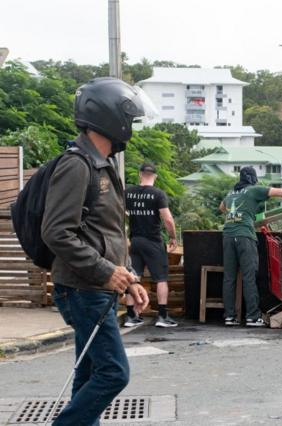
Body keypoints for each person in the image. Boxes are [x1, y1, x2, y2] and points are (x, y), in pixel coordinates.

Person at [42, 77, 151, 425]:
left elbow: (107, 234)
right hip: (82, 288)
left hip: (96, 287)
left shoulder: (103, 166)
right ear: (109, 117)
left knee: (89, 376)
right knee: (114, 373)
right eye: (129, 118)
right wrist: (106, 272)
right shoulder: (77, 165)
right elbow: (56, 232)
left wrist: (128, 278)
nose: (130, 127)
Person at [220, 166, 282, 327]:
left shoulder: (231, 193)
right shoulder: (253, 190)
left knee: (229, 278)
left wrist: (235, 215)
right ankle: (252, 317)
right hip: (244, 235)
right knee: (249, 276)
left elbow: (222, 208)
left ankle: (229, 316)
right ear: (252, 179)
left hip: (228, 236)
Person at [124, 163, 179, 328]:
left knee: (133, 276)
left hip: (134, 241)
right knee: (161, 278)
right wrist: (173, 237)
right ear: (155, 176)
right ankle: (162, 316)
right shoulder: (158, 194)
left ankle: (130, 316)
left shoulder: (128, 193)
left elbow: (118, 213)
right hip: (153, 241)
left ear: (140, 174)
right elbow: (168, 220)